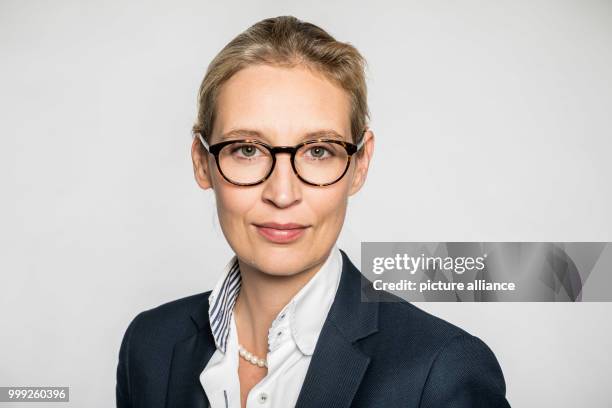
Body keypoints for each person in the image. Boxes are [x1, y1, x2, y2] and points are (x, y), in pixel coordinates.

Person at [116, 15, 511, 408]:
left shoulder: (443, 370)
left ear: (360, 164)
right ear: (203, 162)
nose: (283, 194)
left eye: (318, 151)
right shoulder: (149, 346)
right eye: (248, 149)